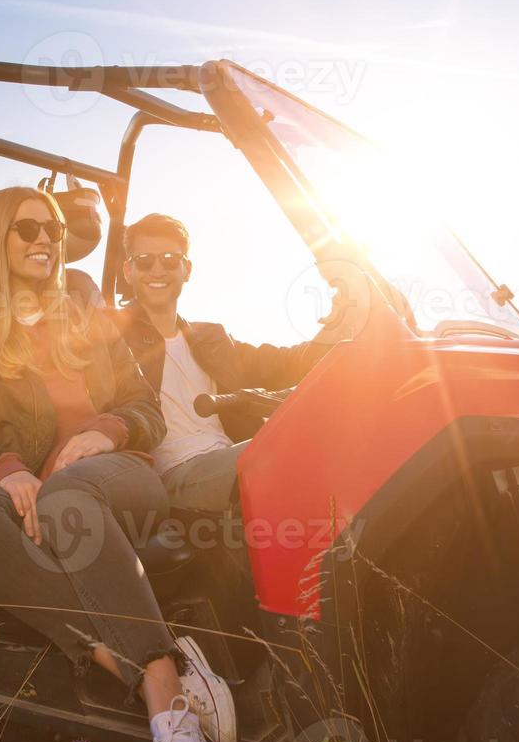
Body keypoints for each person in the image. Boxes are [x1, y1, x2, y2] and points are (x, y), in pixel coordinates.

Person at [0, 187, 237, 742]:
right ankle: (159, 667)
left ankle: (172, 725)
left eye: (55, 230)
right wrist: (3, 469)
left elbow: (144, 409)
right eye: (27, 228)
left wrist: (102, 432)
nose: (46, 240)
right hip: (28, 492)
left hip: (120, 477)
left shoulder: (87, 317)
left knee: (69, 492)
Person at [114, 213, 352, 518]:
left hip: (230, 455)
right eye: (145, 260)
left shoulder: (211, 337)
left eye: (170, 259)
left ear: (186, 269)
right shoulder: (111, 335)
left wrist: (341, 319)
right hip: (175, 475)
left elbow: (284, 362)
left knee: (337, 434)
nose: (157, 269)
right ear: (128, 270)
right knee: (285, 452)